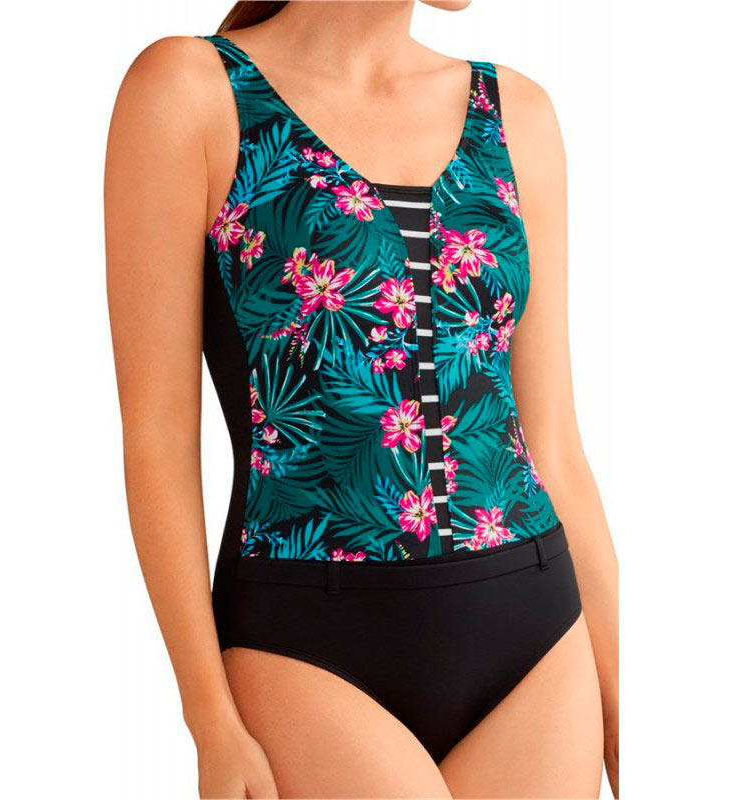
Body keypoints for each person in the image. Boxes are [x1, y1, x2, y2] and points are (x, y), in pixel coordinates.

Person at [105, 1, 619, 797]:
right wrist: (209, 717)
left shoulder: (515, 112)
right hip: (305, 641)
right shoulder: (191, 91)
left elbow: (553, 442)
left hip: (538, 636)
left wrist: (627, 712)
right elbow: (158, 440)